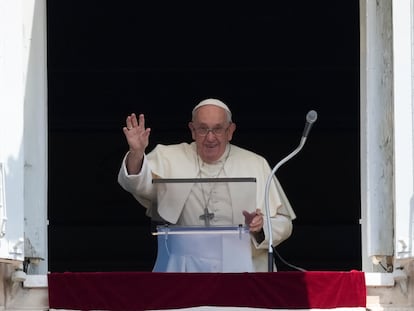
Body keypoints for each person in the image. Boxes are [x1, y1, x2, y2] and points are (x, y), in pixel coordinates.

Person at [118, 98, 296, 272]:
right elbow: (136, 184)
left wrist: (260, 226)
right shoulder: (168, 157)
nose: (210, 138)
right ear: (192, 130)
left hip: (243, 266)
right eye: (203, 129)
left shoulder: (255, 163)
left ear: (230, 131)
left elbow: (284, 223)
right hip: (183, 267)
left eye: (218, 129)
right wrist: (136, 153)